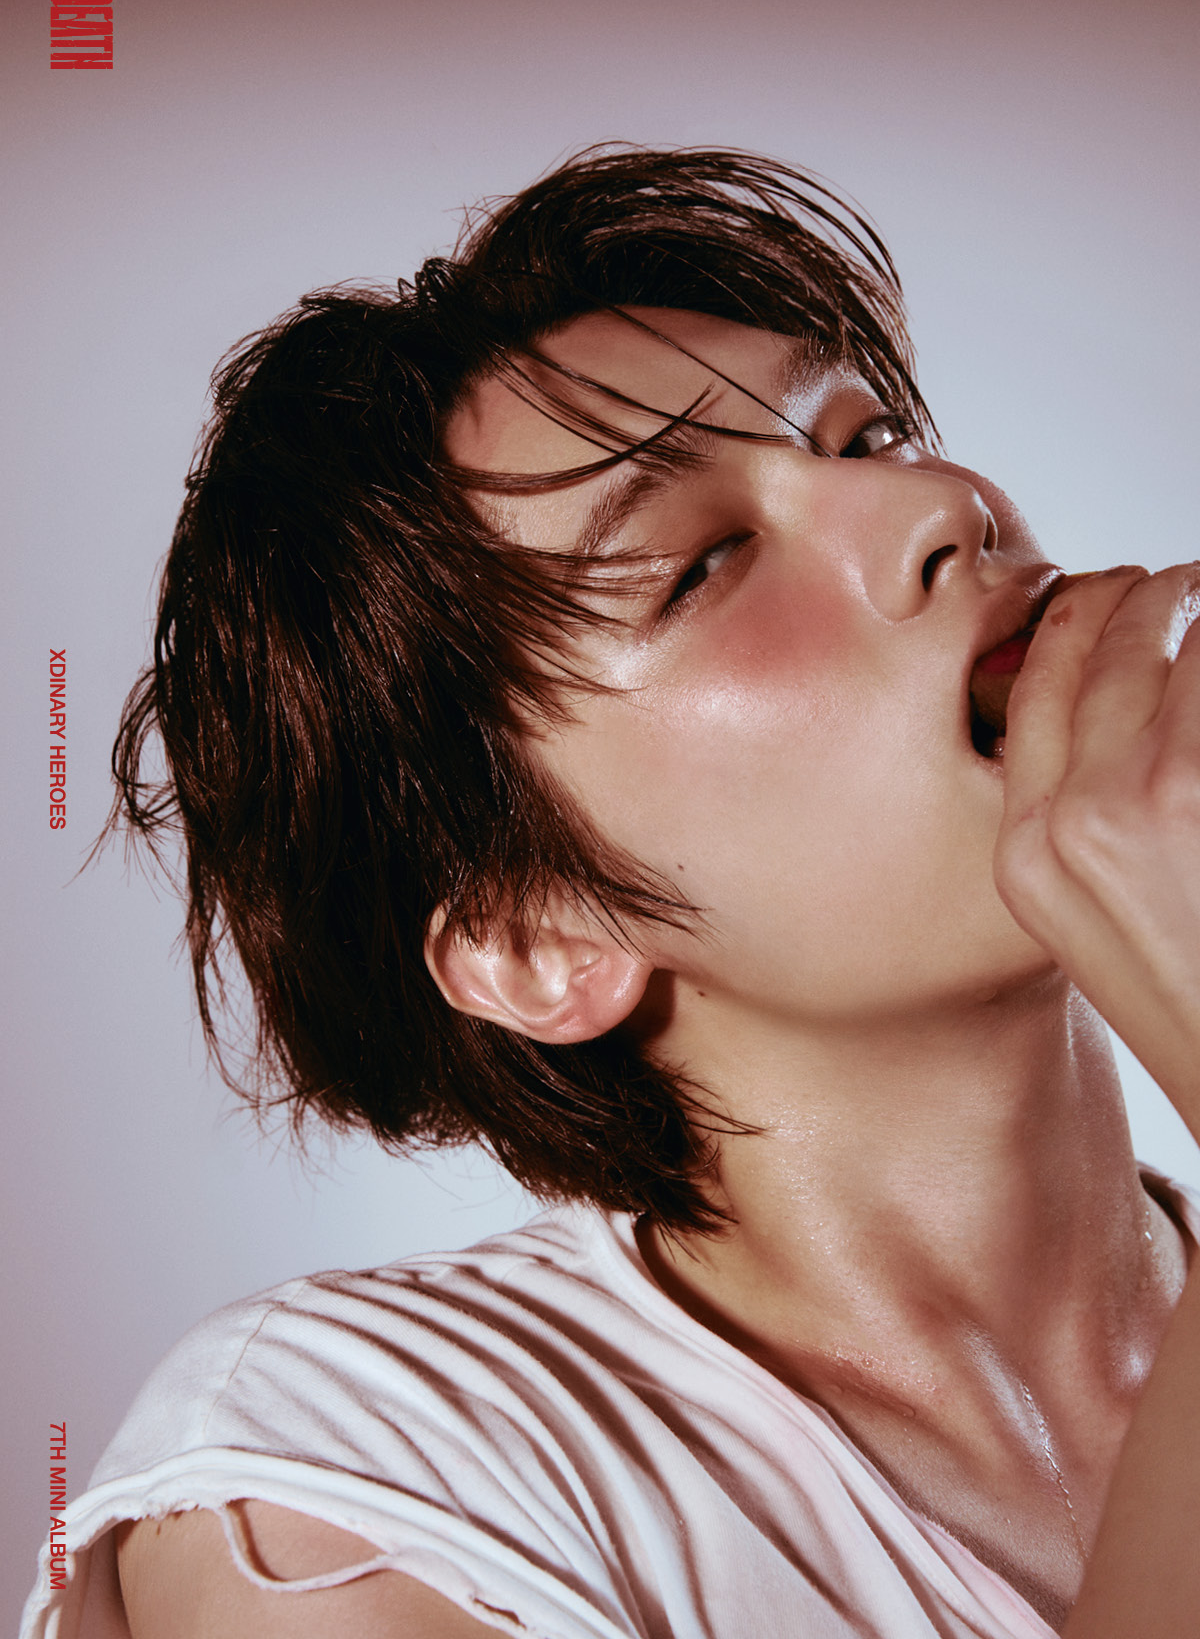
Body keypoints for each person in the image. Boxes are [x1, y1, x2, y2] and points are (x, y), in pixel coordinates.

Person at [21, 148, 1200, 1639]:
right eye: (704, 564)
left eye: (870, 437)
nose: (942, 506)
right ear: (534, 938)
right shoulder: (350, 1475)